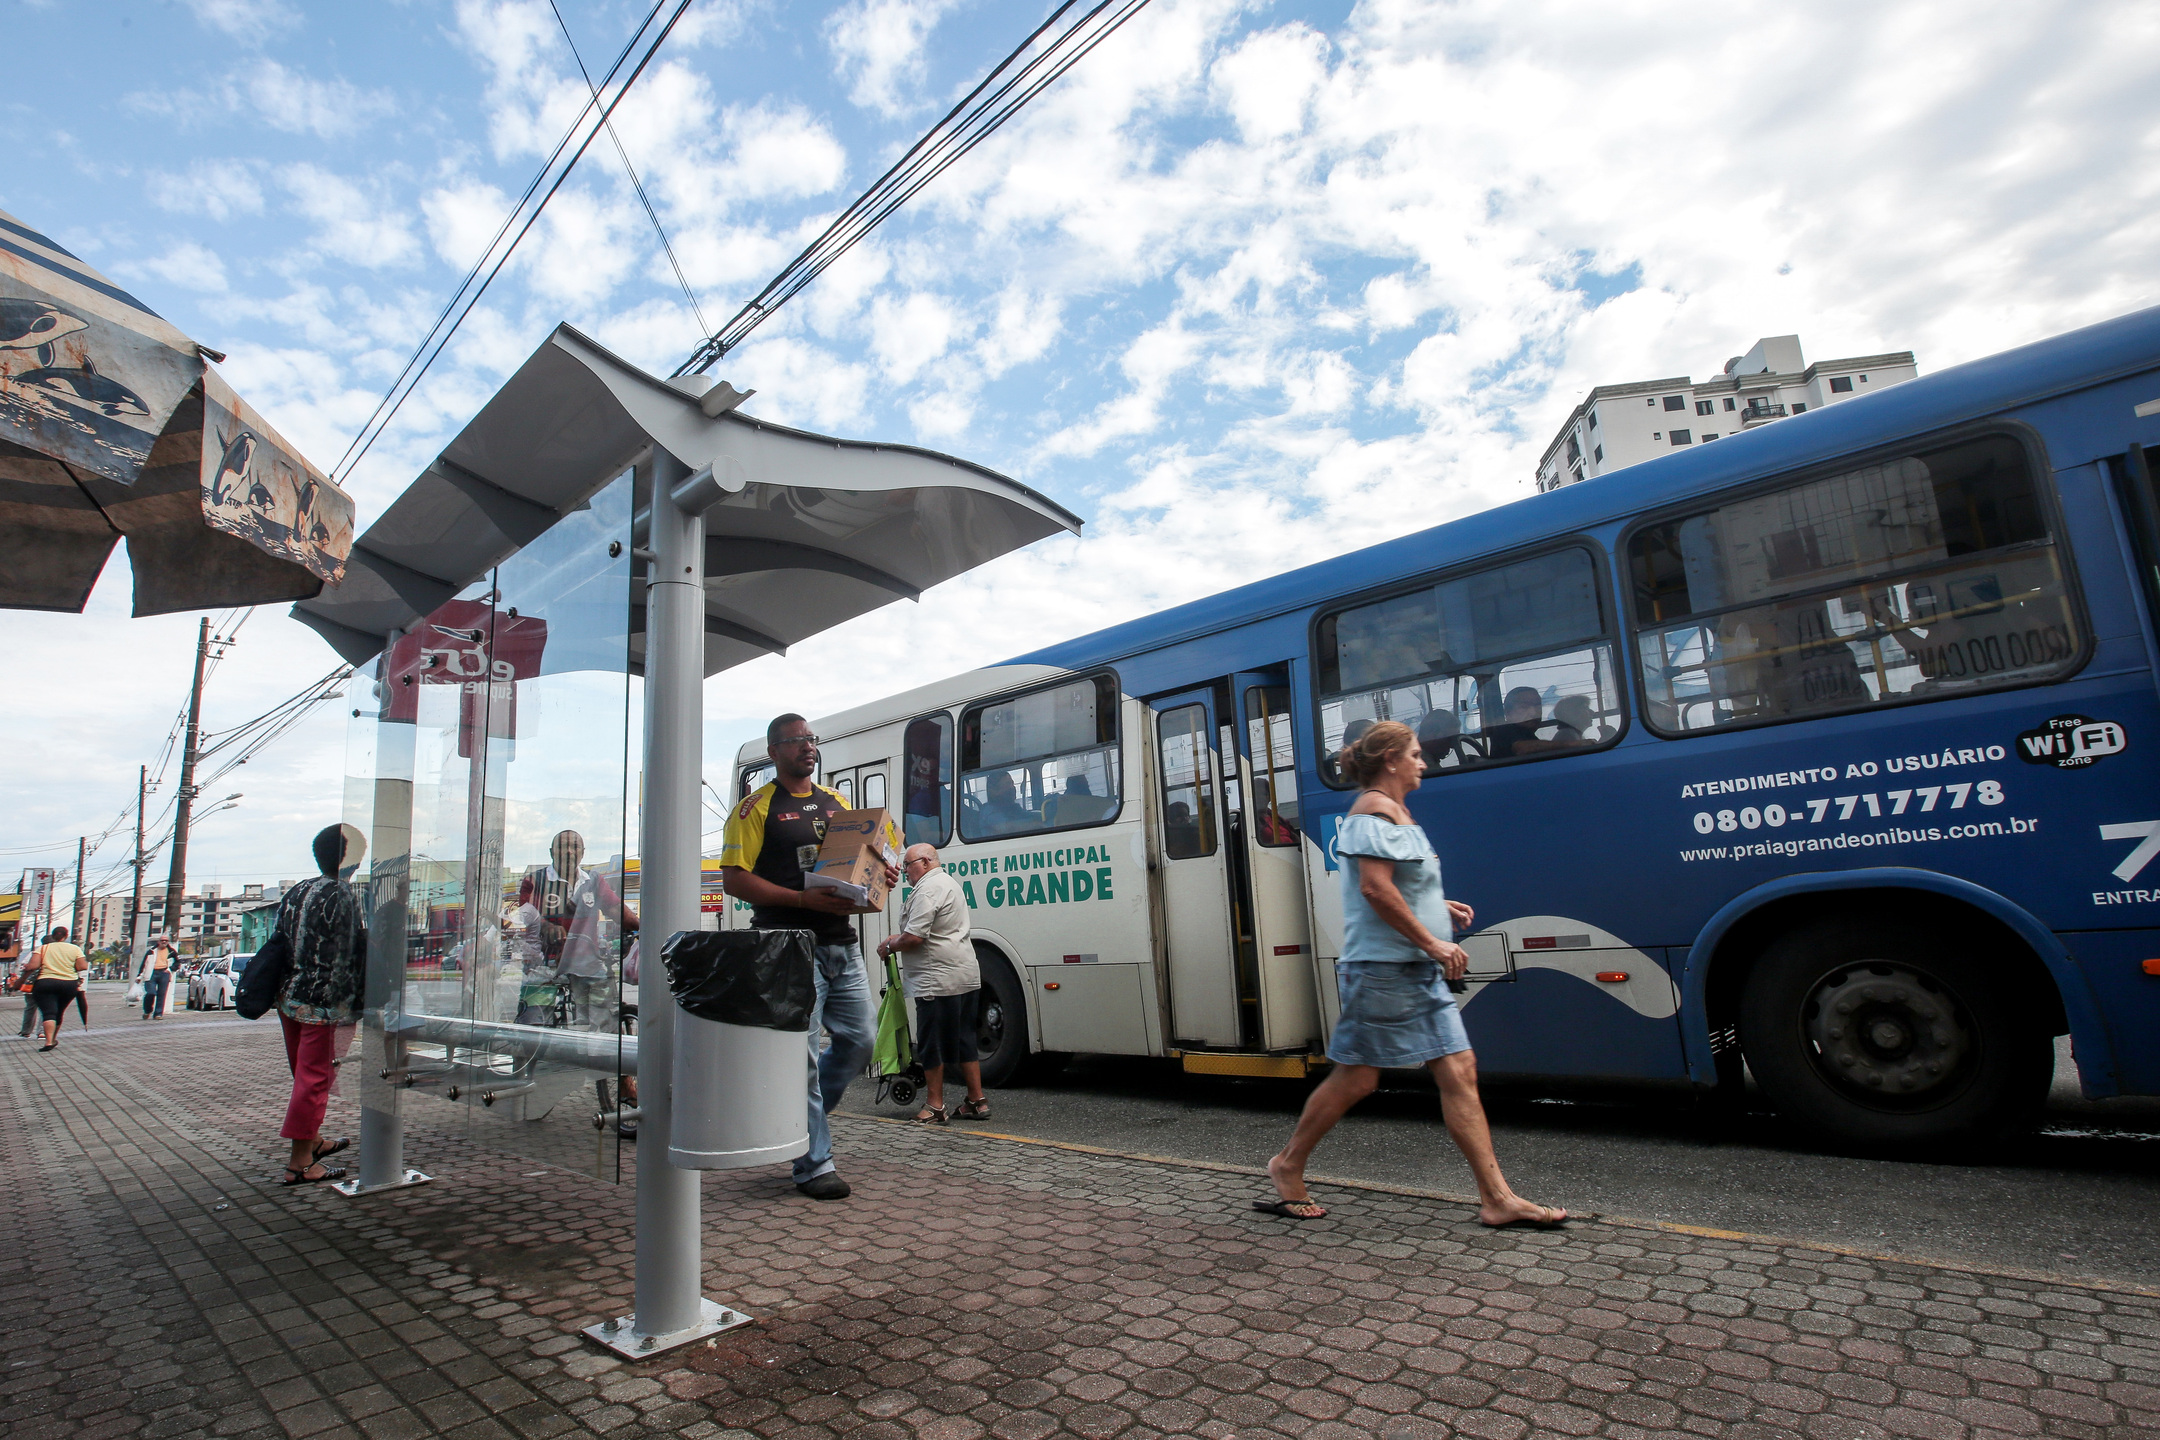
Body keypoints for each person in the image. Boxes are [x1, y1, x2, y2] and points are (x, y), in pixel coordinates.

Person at [1259, 719, 1567, 1230]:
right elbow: (1375, 890)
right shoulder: (1369, 813)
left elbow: (1398, 882)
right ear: (1391, 761)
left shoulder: (1397, 814)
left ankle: (1497, 1198)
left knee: (1460, 1070)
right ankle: (1287, 1165)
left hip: (1415, 967)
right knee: (1357, 1078)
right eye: (1417, 754)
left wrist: (1436, 905)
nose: (1424, 762)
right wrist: (1432, 939)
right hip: (1383, 969)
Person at [720, 713, 900, 1200]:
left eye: (811, 740)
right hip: (788, 947)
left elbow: (860, 858)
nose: (808, 747)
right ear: (774, 751)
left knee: (861, 1041)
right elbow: (733, 880)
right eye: (796, 741)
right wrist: (801, 901)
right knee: (801, 1063)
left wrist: (880, 874)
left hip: (841, 945)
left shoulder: (836, 803)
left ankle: (799, 1116)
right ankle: (814, 1164)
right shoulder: (753, 809)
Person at [271, 824, 369, 1187]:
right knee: (315, 1080)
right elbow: (351, 952)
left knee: (303, 1076)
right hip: (325, 1003)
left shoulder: (300, 889)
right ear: (350, 859)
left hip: (290, 996)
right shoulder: (343, 894)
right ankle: (300, 1163)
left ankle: (312, 1140)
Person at [877, 844, 986, 1125]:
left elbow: (914, 937)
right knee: (964, 1039)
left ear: (924, 862)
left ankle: (935, 1106)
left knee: (931, 1043)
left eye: (908, 863)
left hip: (936, 979)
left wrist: (890, 944)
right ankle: (976, 1100)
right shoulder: (949, 883)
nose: (904, 870)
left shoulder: (927, 889)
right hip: (964, 975)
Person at [516, 830, 637, 1030]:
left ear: (582, 853)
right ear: (552, 852)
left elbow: (617, 910)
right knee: (532, 1025)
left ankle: (597, 1054)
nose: (569, 851)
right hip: (543, 964)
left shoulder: (593, 881)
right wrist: (546, 927)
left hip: (585, 962)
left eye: (575, 847)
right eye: (563, 846)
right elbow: (527, 914)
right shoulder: (534, 881)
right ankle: (527, 1056)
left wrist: (645, 928)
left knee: (602, 1019)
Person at [28, 926, 86, 1053]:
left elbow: (33, 966)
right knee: (59, 1012)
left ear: (53, 936)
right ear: (66, 935)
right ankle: (53, 1039)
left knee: (49, 1012)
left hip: (45, 983)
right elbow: (82, 966)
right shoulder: (74, 948)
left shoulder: (43, 948)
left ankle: (48, 1041)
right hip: (68, 984)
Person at [140, 933, 176, 1018]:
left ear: (168, 942)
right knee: (150, 993)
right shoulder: (151, 951)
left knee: (161, 994)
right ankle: (147, 1011)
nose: (164, 942)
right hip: (151, 973)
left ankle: (158, 1014)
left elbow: (177, 963)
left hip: (164, 973)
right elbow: (144, 964)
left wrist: (170, 969)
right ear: (158, 941)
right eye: (162, 940)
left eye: (166, 940)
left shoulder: (172, 952)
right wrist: (139, 976)